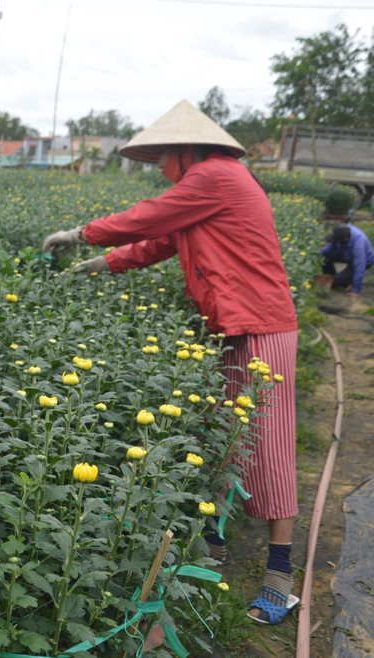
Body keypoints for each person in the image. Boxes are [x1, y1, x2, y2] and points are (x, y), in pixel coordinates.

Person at [43, 100, 299, 626]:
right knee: (225, 437)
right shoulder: (206, 187)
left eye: (162, 158)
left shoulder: (216, 176)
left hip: (263, 323)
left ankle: (280, 574)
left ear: (186, 151)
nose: (159, 169)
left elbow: (149, 217)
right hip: (233, 322)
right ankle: (215, 539)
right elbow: (160, 240)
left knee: (265, 444)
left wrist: (82, 234)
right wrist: (103, 264)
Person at [320, 223, 374, 297]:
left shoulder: (358, 243)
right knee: (324, 257)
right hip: (346, 254)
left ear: (345, 239)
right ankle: (331, 276)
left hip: (363, 261)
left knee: (337, 280)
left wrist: (355, 290)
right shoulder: (341, 232)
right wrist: (318, 254)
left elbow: (359, 266)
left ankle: (348, 282)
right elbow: (328, 249)